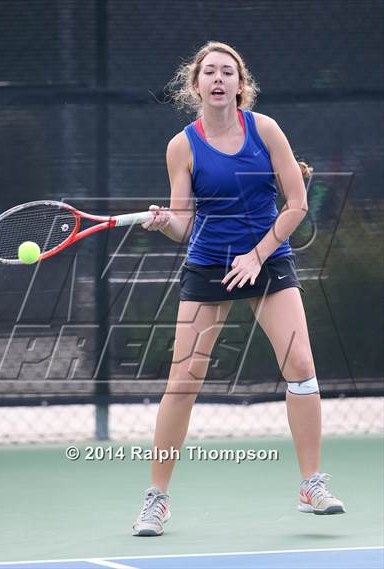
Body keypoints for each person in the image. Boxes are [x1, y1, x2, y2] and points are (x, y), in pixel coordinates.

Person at [133, 41, 345, 537]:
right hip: (208, 265)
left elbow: (296, 205)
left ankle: (311, 484)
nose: (219, 79)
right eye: (210, 72)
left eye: (228, 72)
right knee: (183, 381)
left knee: (301, 367)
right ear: (196, 85)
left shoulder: (265, 130)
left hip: (266, 260)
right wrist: (165, 223)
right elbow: (185, 226)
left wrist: (257, 254)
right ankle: (155, 499)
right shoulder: (182, 145)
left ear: (240, 85)